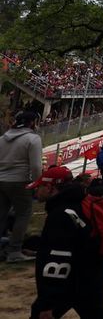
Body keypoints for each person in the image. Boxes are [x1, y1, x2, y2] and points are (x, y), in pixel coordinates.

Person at [28, 166, 103, 319]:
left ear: (49, 187)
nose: (36, 191)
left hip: (72, 281)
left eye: (39, 187)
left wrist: (47, 302)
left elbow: (58, 259)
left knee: (39, 314)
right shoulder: (81, 203)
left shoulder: (60, 215)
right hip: (95, 274)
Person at [0, 110, 43, 262]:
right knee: (22, 215)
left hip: (1, 180)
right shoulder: (33, 139)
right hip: (20, 181)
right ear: (32, 123)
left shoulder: (3, 138)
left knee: (1, 214)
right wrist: (38, 184)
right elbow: (36, 166)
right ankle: (14, 251)